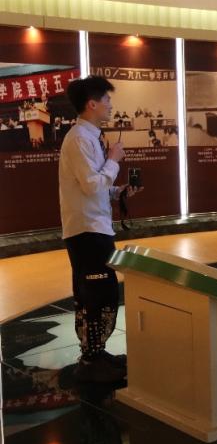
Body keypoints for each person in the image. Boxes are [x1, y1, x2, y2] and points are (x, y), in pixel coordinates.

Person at [58, 76, 142, 383]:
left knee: (99, 291)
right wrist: (114, 161)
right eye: (106, 99)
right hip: (87, 230)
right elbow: (91, 184)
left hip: (94, 226)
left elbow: (95, 185)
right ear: (92, 104)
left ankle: (96, 352)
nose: (110, 104)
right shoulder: (79, 138)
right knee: (97, 292)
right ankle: (91, 360)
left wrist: (119, 191)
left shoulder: (89, 137)